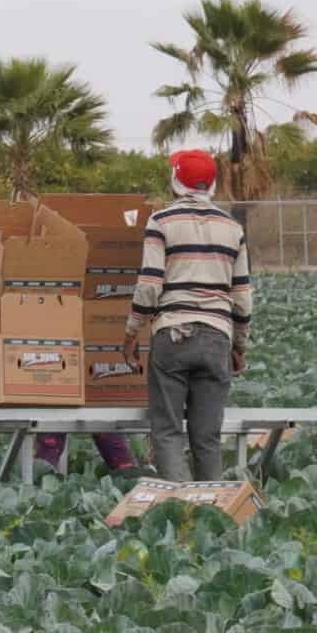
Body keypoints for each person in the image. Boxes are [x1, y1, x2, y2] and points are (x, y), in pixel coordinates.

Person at [124, 148, 252, 481]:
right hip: (216, 338)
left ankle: (180, 510)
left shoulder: (161, 222)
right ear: (211, 185)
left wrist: (131, 333)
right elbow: (242, 297)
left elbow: (149, 286)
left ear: (176, 180)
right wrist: (238, 346)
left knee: (167, 432)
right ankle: (211, 512)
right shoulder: (232, 228)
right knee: (207, 437)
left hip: (173, 334)